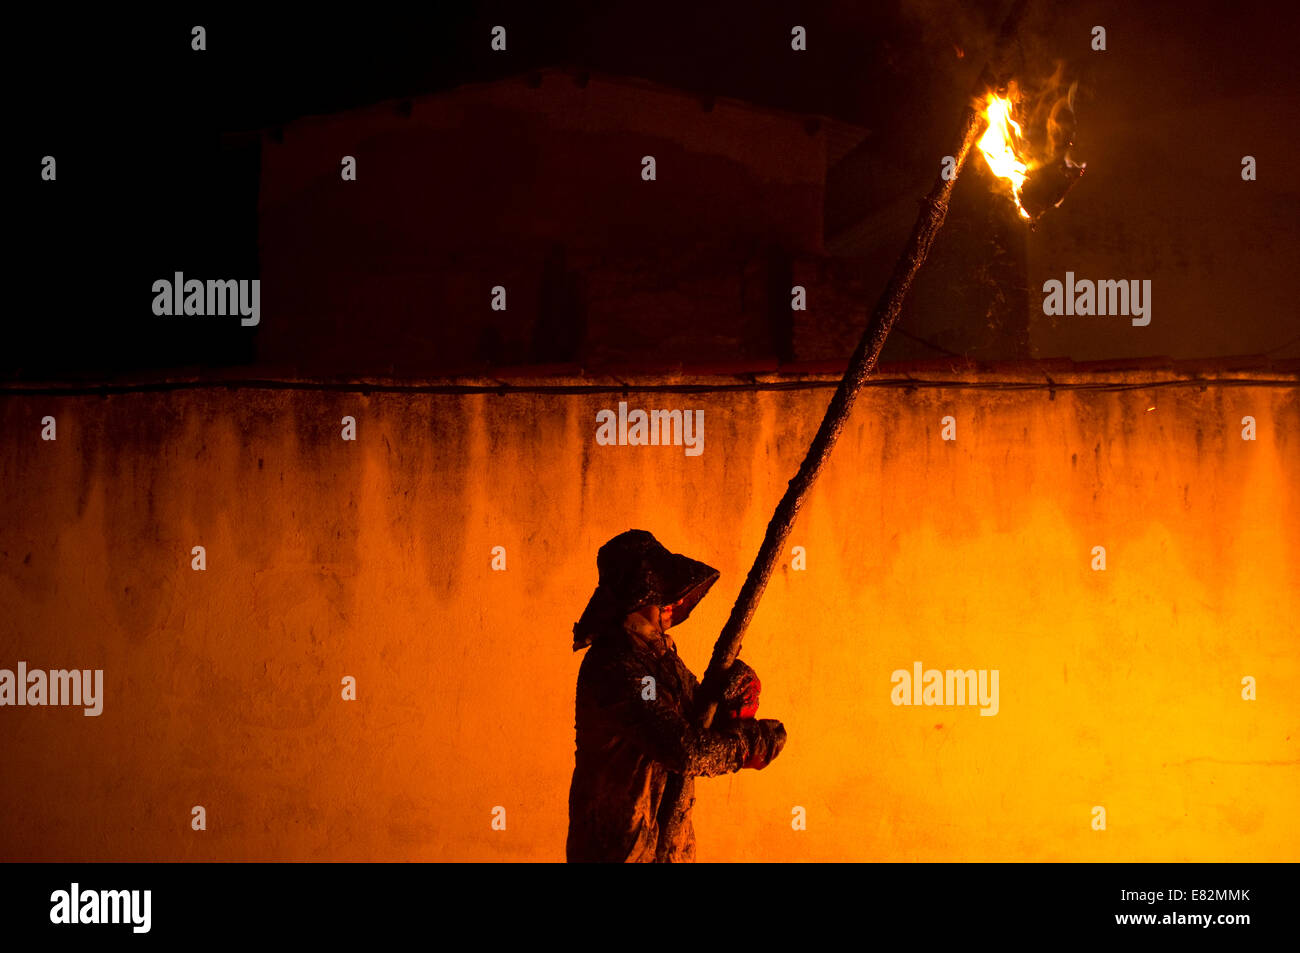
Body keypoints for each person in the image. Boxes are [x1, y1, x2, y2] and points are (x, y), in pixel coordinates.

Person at [566, 529, 787, 863]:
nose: (672, 602)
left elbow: (702, 723)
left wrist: (735, 694)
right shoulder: (612, 665)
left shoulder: (660, 660)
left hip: (669, 853)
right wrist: (747, 745)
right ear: (642, 593)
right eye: (661, 592)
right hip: (620, 853)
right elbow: (686, 750)